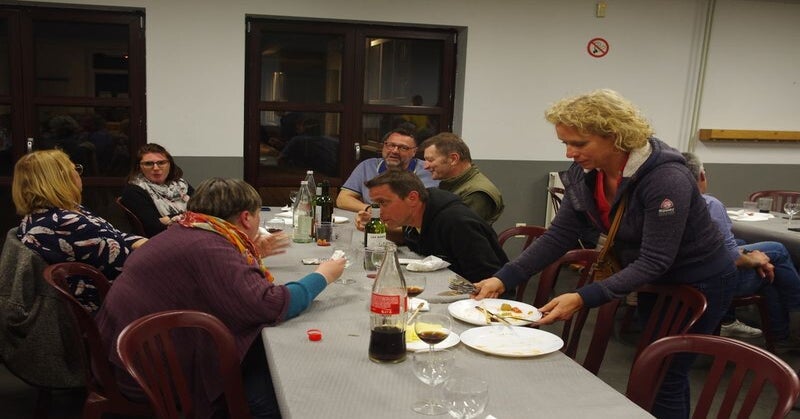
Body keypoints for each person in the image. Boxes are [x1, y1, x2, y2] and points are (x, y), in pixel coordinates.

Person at [472, 89, 736, 419]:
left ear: (615, 136)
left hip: (701, 280)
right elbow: (559, 235)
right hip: (657, 279)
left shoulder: (666, 177)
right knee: (658, 368)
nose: (570, 153)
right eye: (565, 143)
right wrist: (503, 277)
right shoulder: (587, 174)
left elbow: (656, 259)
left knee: (664, 372)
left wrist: (583, 297)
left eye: (579, 144)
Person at [96, 177, 346, 419]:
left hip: (131, 355)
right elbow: (269, 304)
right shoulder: (209, 246)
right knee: (279, 373)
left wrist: (250, 253)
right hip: (152, 375)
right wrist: (323, 275)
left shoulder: (189, 230)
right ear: (246, 217)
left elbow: (211, 277)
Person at [683, 152, 800, 348]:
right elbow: (732, 257)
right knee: (777, 251)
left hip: (682, 277)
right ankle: (793, 315)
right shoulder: (709, 204)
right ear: (702, 175)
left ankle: (779, 334)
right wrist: (756, 260)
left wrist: (755, 259)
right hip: (710, 282)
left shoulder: (665, 201)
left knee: (751, 250)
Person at [12, 149, 147, 311]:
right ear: (59, 178)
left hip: (107, 288)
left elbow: (114, 235)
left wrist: (144, 242)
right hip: (108, 303)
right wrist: (158, 249)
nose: (78, 174)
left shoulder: (57, 213)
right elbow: (124, 264)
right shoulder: (64, 223)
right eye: (74, 169)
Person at [356, 169, 507, 282]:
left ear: (412, 198)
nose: (378, 212)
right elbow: (408, 238)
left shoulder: (457, 223)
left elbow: (488, 277)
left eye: (383, 203)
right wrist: (373, 228)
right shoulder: (418, 215)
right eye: (375, 204)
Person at [336, 124, 438, 212]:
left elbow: (424, 208)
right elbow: (342, 199)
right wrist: (371, 210)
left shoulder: (428, 170)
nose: (394, 151)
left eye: (403, 148)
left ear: (414, 152)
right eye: (390, 145)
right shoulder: (367, 166)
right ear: (383, 146)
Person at [420, 132, 504, 224]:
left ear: (453, 159)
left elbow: (457, 228)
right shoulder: (454, 185)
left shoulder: (477, 193)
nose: (425, 166)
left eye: (430, 160)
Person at [121, 143, 194, 237]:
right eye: (148, 164)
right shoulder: (133, 191)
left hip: (190, 232)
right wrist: (188, 216)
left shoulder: (181, 185)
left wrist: (167, 219)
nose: (156, 168)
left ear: (170, 164)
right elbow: (153, 227)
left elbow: (203, 210)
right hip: (161, 238)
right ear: (139, 167)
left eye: (161, 163)